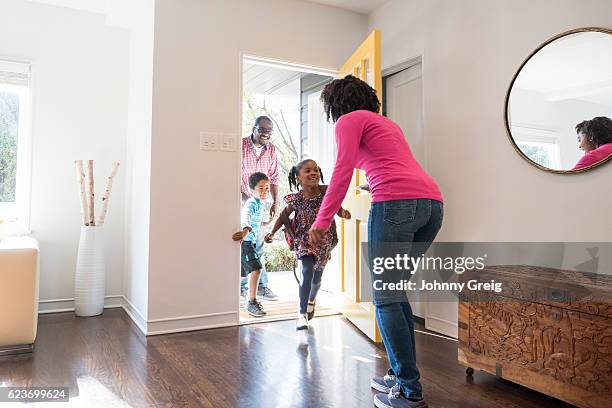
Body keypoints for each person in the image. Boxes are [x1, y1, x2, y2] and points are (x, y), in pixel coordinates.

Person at [309, 75, 443, 408]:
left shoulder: (348, 121)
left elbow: (341, 171)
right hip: (432, 205)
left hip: (396, 205)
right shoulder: (386, 124)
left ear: (335, 104)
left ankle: (410, 393)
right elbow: (389, 165)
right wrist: (374, 185)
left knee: (384, 297)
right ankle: (400, 376)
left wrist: (321, 220)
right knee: (395, 294)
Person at [264, 159, 351, 330]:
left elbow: (336, 207)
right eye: (308, 170)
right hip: (303, 240)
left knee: (317, 278)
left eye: (316, 170)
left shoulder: (326, 192)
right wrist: (272, 233)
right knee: (306, 271)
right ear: (298, 178)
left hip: (324, 241)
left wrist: (343, 213)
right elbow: (283, 216)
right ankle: (301, 314)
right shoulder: (296, 198)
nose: (313, 173)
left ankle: (312, 299)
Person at [240, 116, 279, 301]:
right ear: (254, 128)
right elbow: (232, 174)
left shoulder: (271, 149)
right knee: (244, 245)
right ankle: (241, 287)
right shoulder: (241, 146)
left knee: (259, 246)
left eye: (269, 131)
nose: (266, 134)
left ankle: (262, 287)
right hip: (242, 204)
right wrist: (248, 199)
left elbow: (274, 178)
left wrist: (275, 204)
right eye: (262, 129)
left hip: (262, 205)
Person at [232, 172, 270, 317]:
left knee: (242, 274)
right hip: (246, 241)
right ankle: (252, 302)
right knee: (256, 270)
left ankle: (238, 298)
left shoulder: (260, 203)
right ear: (252, 190)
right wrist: (245, 231)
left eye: (267, 188)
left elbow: (256, 221)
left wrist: (267, 224)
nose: (265, 191)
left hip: (251, 242)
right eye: (261, 188)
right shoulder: (252, 203)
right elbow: (246, 217)